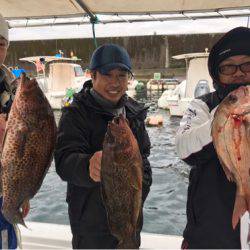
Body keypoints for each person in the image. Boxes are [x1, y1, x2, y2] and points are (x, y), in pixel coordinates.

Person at [55, 44, 152, 249]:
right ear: (93, 75)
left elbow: (144, 161)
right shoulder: (75, 113)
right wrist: (87, 166)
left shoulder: (134, 114)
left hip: (130, 220)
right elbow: (64, 161)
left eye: (122, 75)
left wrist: (138, 193)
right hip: (90, 227)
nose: (115, 83)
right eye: (108, 75)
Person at [176, 26, 250, 249]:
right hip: (211, 236)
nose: (238, 72)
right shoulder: (202, 105)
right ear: (217, 73)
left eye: (247, 64)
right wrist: (223, 117)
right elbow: (183, 148)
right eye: (228, 67)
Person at [0, 14, 30, 249]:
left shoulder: (12, 85)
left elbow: (26, 151)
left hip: (6, 194)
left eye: (0, 43)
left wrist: (23, 192)